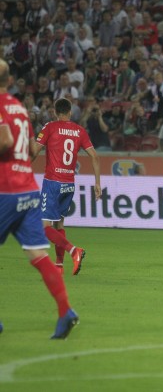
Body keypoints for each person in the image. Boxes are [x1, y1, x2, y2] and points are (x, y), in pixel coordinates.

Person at [0, 60, 78, 339]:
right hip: (27, 189)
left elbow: (5, 141)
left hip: (5, 190)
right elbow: (30, 149)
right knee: (37, 254)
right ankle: (65, 311)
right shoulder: (20, 110)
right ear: (10, 81)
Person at [32, 98, 101, 276]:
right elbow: (94, 156)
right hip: (69, 184)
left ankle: (73, 251)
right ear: (70, 112)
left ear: (55, 112)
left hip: (53, 182)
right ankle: (59, 265)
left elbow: (35, 151)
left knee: (45, 227)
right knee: (59, 223)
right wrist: (97, 183)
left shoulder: (50, 127)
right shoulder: (80, 131)